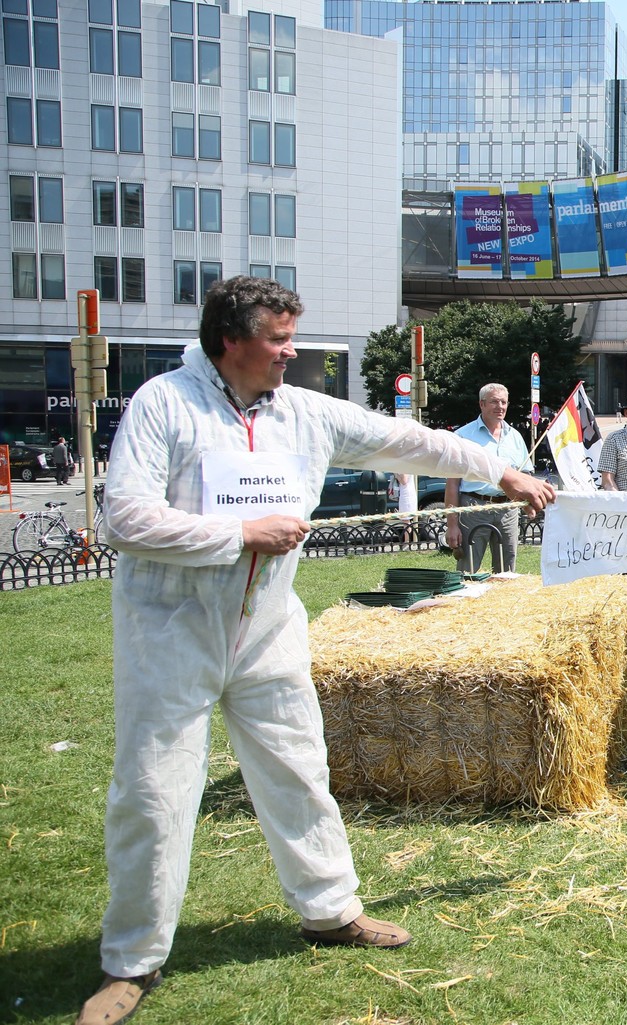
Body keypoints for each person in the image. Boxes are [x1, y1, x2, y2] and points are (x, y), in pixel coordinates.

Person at [83, 277, 555, 1025]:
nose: (290, 352)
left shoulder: (302, 412)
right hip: (170, 630)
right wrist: (237, 534)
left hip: (267, 627)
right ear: (229, 341)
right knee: (153, 788)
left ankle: (330, 909)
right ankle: (131, 959)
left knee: (301, 768)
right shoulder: (163, 404)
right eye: (277, 339)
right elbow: (125, 518)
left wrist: (498, 469)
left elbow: (405, 439)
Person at [444, 383, 530, 575]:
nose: (500, 406)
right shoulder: (462, 436)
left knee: (507, 572)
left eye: (504, 402)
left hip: (508, 510)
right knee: (468, 572)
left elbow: (525, 477)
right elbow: (452, 484)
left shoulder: (515, 437)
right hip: (474, 508)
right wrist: (452, 525)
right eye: (494, 402)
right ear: (482, 404)